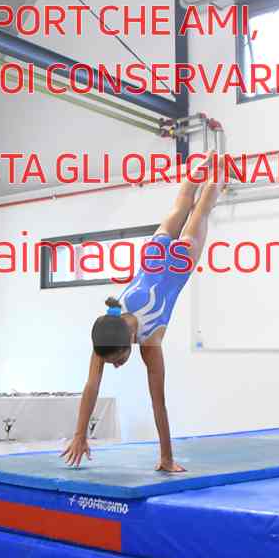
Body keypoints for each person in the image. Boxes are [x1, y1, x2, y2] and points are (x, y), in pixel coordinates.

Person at [62, 152, 226, 473]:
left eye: (119, 360)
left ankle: (220, 169)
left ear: (129, 342)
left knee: (203, 209)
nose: (117, 365)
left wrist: (166, 458)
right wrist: (80, 435)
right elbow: (92, 386)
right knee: (182, 204)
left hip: (181, 261)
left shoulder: (149, 342)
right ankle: (208, 160)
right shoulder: (108, 327)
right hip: (154, 252)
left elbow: (158, 402)